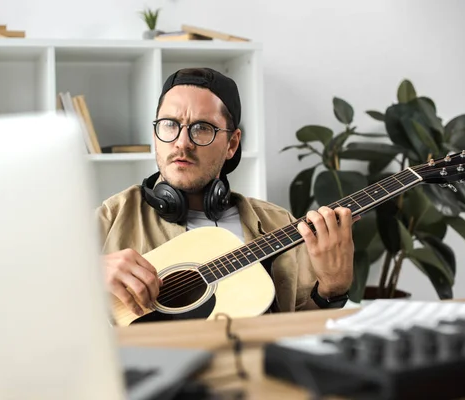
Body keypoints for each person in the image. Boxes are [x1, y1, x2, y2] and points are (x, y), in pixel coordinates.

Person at [96, 67, 355, 319]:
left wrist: (331, 291)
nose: (182, 142)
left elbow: (300, 332)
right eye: (169, 125)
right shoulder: (111, 218)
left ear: (232, 144)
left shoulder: (280, 225)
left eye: (202, 128)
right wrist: (88, 272)